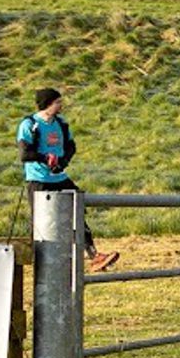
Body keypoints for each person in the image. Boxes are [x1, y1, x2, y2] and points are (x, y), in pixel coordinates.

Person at [18, 88, 119, 272]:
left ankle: (94, 255)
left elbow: (71, 146)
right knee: (41, 222)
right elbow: (25, 154)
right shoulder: (29, 124)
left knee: (77, 210)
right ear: (47, 104)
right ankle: (40, 264)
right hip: (38, 179)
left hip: (60, 177)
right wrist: (46, 158)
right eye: (57, 102)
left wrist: (62, 162)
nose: (61, 105)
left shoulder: (61, 124)